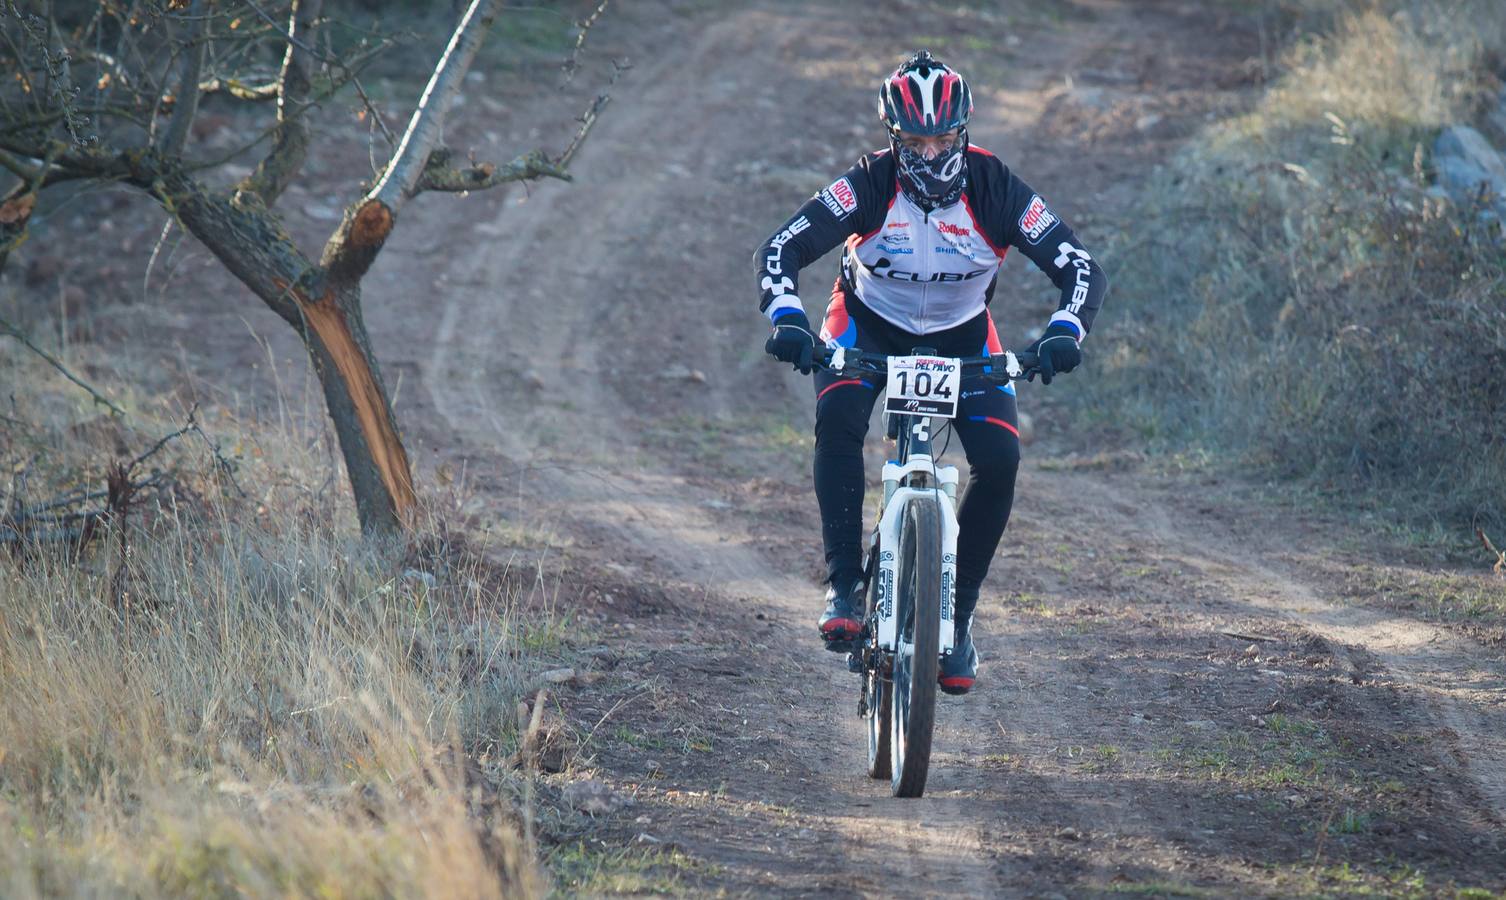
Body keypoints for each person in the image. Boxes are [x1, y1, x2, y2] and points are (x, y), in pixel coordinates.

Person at [753, 50, 1107, 695]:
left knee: (1000, 460)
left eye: (943, 136)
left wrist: (1065, 330)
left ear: (964, 130)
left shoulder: (996, 187)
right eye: (915, 139)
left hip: (963, 337)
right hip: (866, 324)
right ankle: (845, 588)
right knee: (837, 420)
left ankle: (959, 616)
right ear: (894, 138)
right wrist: (789, 318)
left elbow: (1080, 266)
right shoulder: (866, 184)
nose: (931, 149)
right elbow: (783, 246)